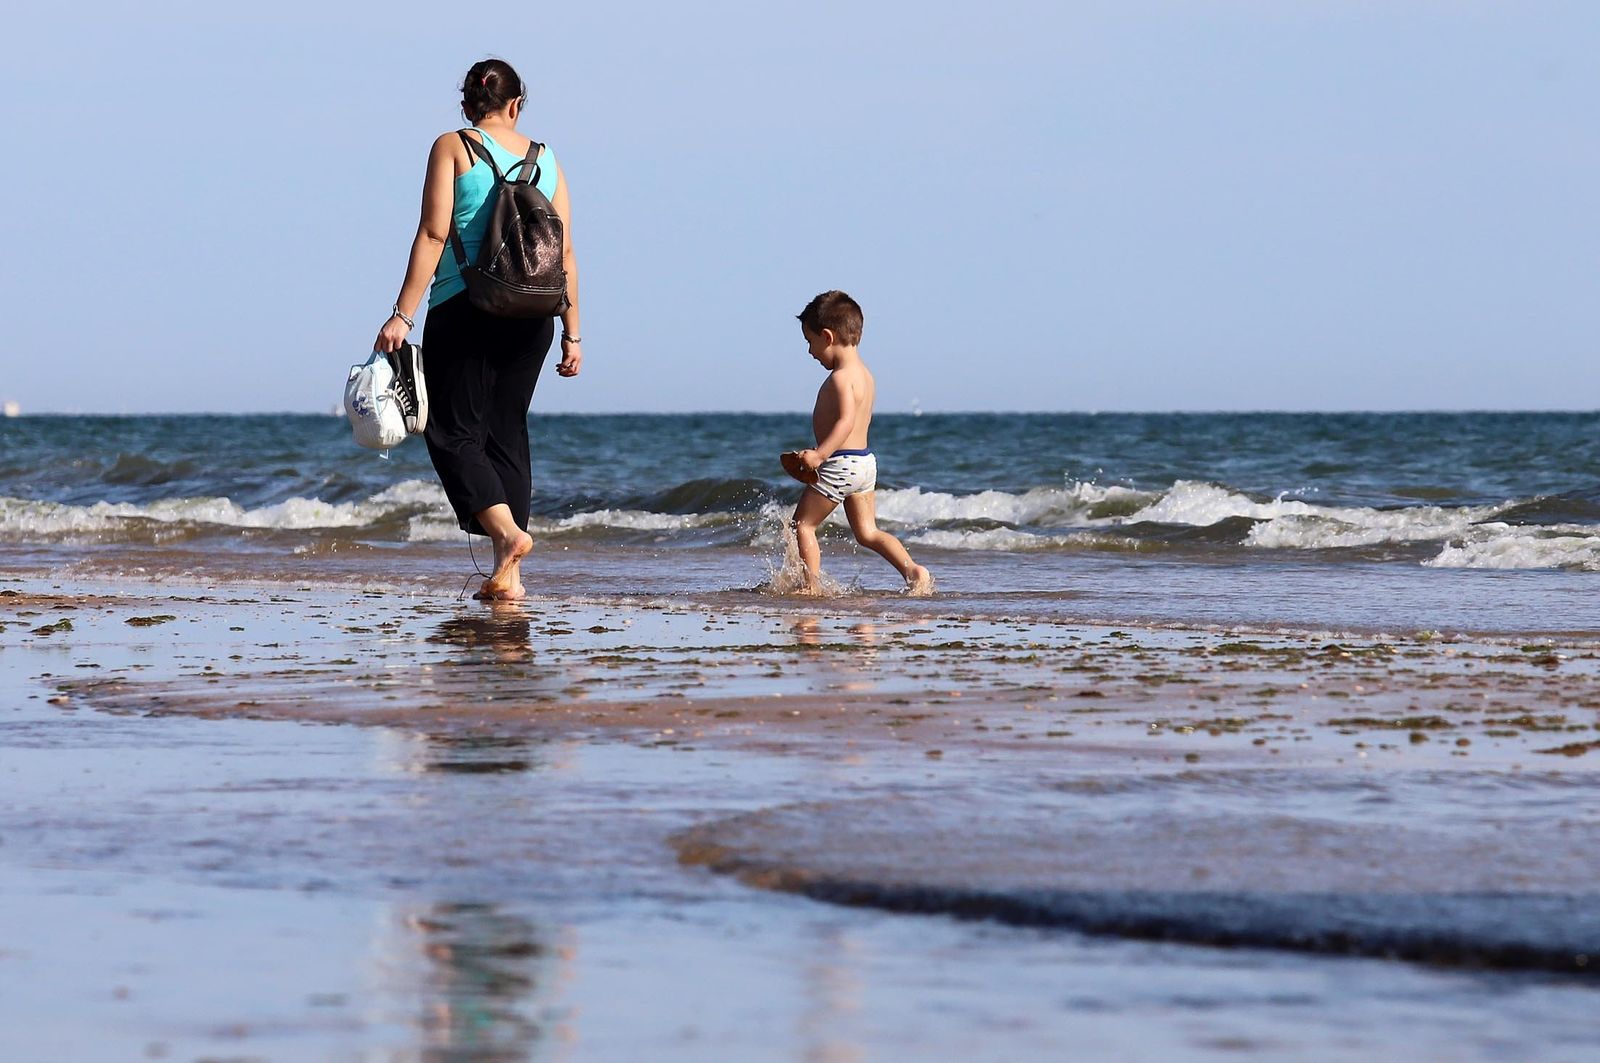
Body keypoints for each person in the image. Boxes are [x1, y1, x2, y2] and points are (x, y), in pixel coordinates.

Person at [374, 58, 582, 602]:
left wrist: (402, 313)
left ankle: (508, 534)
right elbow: (564, 254)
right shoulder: (548, 158)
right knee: (506, 434)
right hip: (534, 314)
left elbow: (433, 231)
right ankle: (507, 576)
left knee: (450, 432)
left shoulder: (453, 146)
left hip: (466, 305)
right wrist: (573, 332)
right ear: (517, 105)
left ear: (467, 106)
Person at [786, 291, 934, 596]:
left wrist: (819, 454)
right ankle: (913, 571)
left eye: (809, 342)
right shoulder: (865, 375)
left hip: (840, 463)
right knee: (868, 532)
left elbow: (846, 422)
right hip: (864, 463)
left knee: (802, 525)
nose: (809, 352)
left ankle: (810, 585)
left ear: (827, 337)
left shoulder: (841, 378)